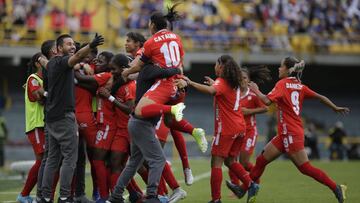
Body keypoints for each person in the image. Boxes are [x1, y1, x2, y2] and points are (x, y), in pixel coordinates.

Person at [247, 57, 349, 203]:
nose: (278, 68)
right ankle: (245, 188)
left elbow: (267, 101)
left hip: (291, 132)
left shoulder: (282, 84)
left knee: (305, 168)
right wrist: (335, 107)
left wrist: (256, 90)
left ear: (288, 69)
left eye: (281, 66)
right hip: (284, 134)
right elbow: (320, 97)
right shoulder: (300, 86)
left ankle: (337, 188)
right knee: (261, 160)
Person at [121, 4, 207, 156]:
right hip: (179, 84)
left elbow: (139, 66)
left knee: (140, 111)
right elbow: (180, 63)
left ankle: (173, 110)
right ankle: (194, 131)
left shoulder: (151, 42)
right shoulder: (177, 38)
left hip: (165, 83)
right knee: (170, 122)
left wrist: (127, 71)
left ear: (152, 24)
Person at [182, 55, 259, 203]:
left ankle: (216, 199)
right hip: (240, 127)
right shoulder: (233, 82)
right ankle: (251, 184)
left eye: (216, 64)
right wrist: (214, 84)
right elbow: (219, 92)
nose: (215, 67)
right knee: (230, 161)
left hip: (227, 128)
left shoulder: (222, 81)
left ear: (221, 66)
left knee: (216, 163)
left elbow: (212, 91)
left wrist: (190, 82)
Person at [40, 33, 104, 203]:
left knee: (53, 159)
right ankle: (64, 197)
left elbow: (43, 60)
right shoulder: (62, 62)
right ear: (59, 49)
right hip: (64, 116)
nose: (72, 46)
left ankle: (45, 197)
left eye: (72, 44)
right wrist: (91, 45)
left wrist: (81, 62)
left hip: (52, 117)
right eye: (67, 44)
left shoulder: (52, 63)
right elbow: (76, 57)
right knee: (70, 158)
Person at [227, 65, 270, 190]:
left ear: (249, 80)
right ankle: (235, 186)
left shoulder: (253, 95)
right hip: (235, 132)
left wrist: (248, 111)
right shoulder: (232, 93)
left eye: (245, 77)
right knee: (231, 160)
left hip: (249, 132)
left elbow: (265, 108)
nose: (242, 79)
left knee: (244, 163)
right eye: (240, 77)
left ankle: (256, 180)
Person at [17, 53, 46, 203]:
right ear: (37, 63)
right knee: (42, 160)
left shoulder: (45, 81)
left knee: (48, 160)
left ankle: (40, 195)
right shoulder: (33, 79)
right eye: (44, 59)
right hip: (36, 124)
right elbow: (39, 98)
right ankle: (24, 194)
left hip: (45, 125)